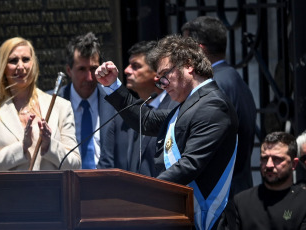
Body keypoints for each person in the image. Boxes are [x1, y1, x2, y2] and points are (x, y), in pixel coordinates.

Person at [95, 34, 239, 230]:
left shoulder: (212, 104)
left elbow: (189, 164)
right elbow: (145, 120)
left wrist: (141, 192)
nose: (162, 84)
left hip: (208, 220)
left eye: (165, 76)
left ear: (188, 65)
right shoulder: (189, 105)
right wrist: (112, 85)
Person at [0, 37, 81, 171]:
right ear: (3, 67)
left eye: (26, 59)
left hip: (53, 191)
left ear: (34, 64)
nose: (21, 66)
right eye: (13, 61)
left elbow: (75, 164)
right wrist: (22, 148)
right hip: (9, 191)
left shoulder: (60, 106)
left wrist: (50, 146)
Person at [182, 16, 257, 196]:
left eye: (183, 48)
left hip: (220, 196)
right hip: (236, 188)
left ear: (199, 49)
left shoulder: (213, 85)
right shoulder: (232, 78)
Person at [99, 41, 178, 176]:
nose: (126, 70)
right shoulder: (122, 116)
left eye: (136, 66)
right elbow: (106, 165)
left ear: (157, 73)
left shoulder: (175, 110)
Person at [50, 32, 123, 169]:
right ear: (69, 70)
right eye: (82, 69)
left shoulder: (115, 103)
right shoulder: (52, 104)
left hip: (105, 184)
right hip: (64, 183)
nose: (89, 78)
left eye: (93, 69)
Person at [220, 131, 306, 230]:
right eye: (264, 158)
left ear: (294, 164)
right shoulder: (241, 202)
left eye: (277, 159)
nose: (269, 165)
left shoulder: (303, 202)